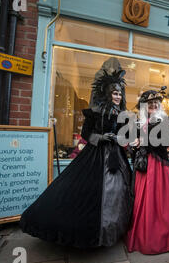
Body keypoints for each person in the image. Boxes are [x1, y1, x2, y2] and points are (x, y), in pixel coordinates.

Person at [19, 69, 133, 248]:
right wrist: (100, 138)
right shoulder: (94, 112)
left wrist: (118, 139)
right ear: (107, 94)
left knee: (117, 192)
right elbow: (86, 133)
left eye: (120, 93)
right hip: (95, 155)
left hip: (115, 157)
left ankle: (112, 230)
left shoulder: (124, 115)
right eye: (115, 93)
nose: (118, 97)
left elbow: (126, 137)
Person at [125, 89, 169, 255]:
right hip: (144, 166)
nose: (153, 105)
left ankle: (162, 232)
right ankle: (144, 231)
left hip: (158, 166)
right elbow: (135, 143)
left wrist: (144, 142)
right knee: (143, 199)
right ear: (144, 107)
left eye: (156, 103)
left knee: (161, 200)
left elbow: (165, 144)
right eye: (150, 104)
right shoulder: (140, 121)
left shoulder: (164, 120)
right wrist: (134, 144)